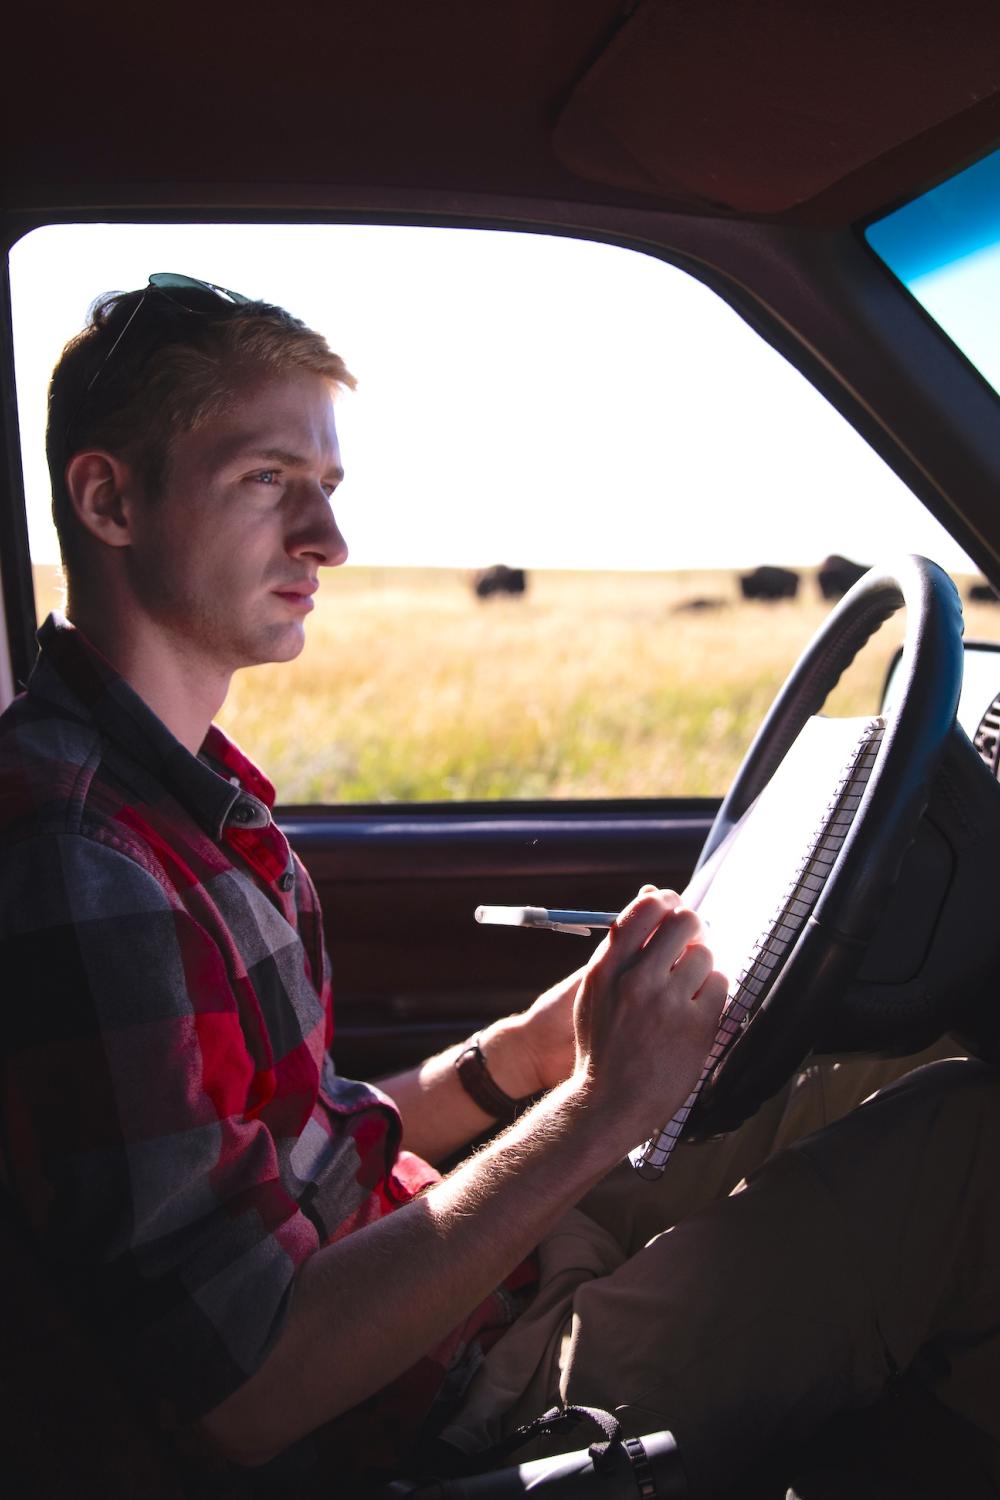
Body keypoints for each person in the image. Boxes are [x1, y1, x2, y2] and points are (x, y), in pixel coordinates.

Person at [0, 275, 997, 1498]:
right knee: (975, 1154)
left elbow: (301, 1139)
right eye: (268, 479)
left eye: (329, 486)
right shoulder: (83, 859)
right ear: (109, 500)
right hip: (453, 1405)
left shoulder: (181, 796)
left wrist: (525, 1054)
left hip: (468, 1272)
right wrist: (603, 1108)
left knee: (900, 1060)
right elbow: (244, 1399)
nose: (329, 541)